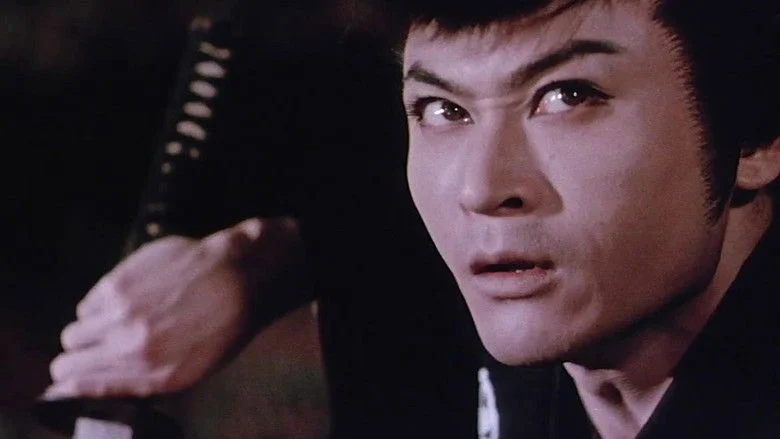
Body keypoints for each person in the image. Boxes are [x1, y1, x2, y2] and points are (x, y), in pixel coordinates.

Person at [44, 0, 779, 437]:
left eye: (568, 97)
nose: (480, 188)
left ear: (755, 138)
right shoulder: (451, 294)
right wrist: (263, 262)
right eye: (442, 109)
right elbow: (377, 222)